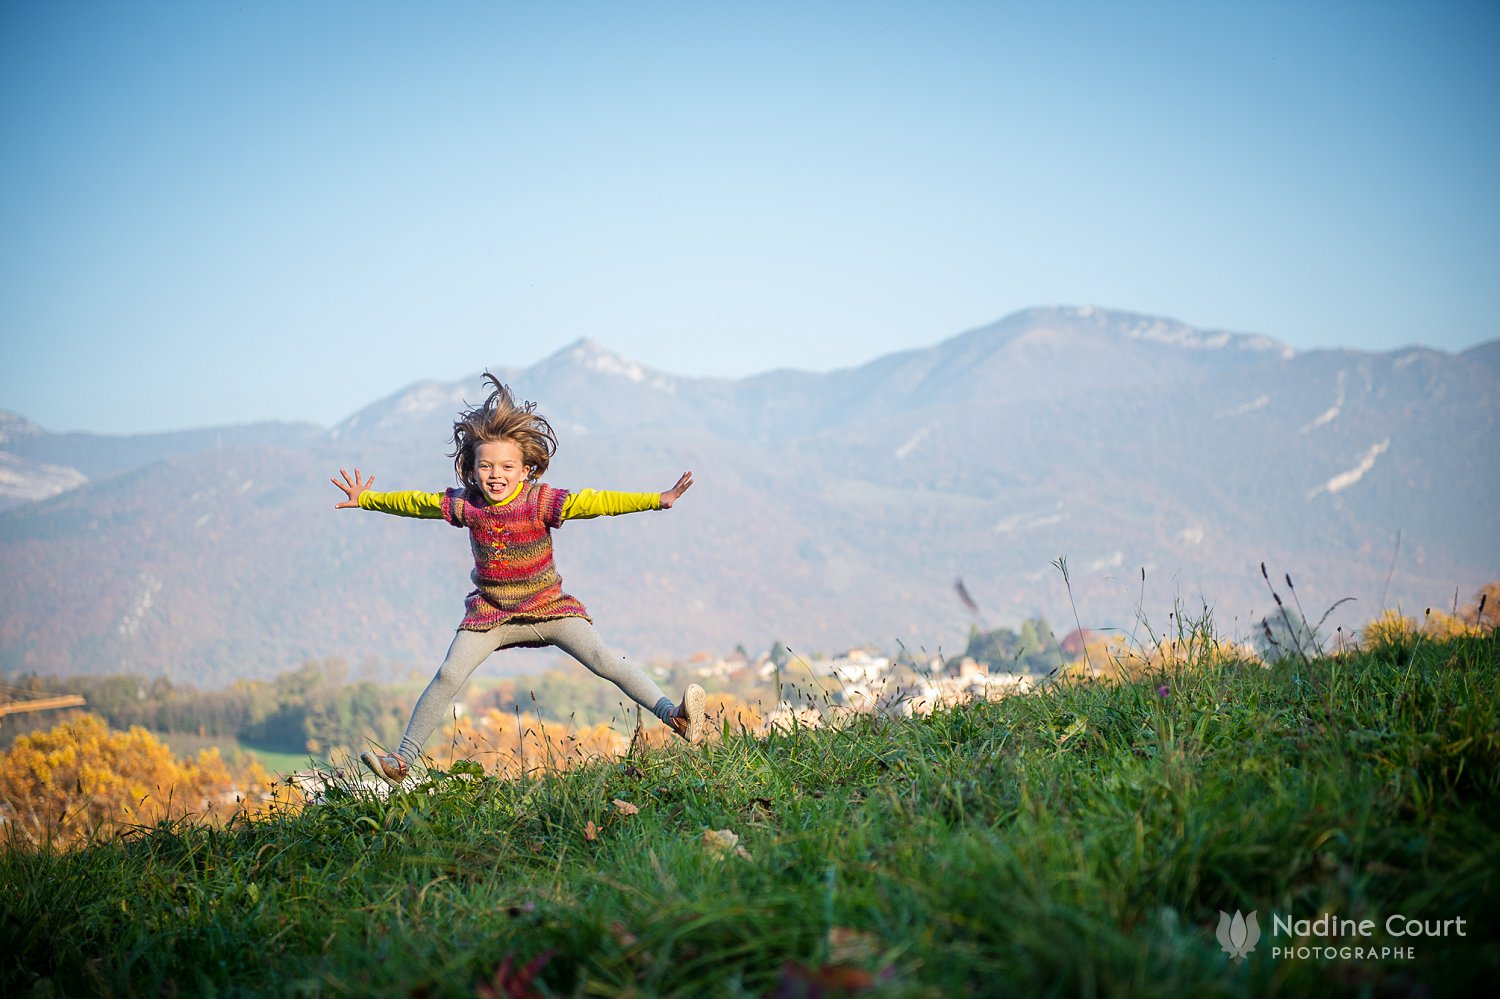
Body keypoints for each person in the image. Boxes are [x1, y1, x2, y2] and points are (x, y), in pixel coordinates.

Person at [331, 374, 705, 788]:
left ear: (526, 469)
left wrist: (657, 500)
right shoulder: (466, 504)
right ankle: (402, 761)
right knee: (447, 677)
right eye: (485, 466)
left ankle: (676, 716)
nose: (495, 474)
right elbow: (415, 503)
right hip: (491, 614)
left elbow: (596, 502)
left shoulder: (540, 501)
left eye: (507, 466)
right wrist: (366, 499)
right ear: (471, 469)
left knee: (606, 661)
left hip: (549, 607)